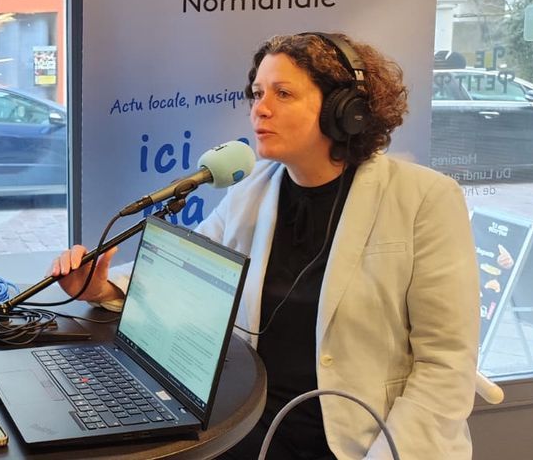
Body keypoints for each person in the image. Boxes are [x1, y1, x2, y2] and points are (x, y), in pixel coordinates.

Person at [51, 33, 478, 460]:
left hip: (360, 444)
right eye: (257, 93)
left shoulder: (424, 199)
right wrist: (102, 287)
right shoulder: (253, 187)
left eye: (283, 93)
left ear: (345, 111)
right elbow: (186, 268)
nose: (260, 108)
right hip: (248, 426)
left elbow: (446, 365)